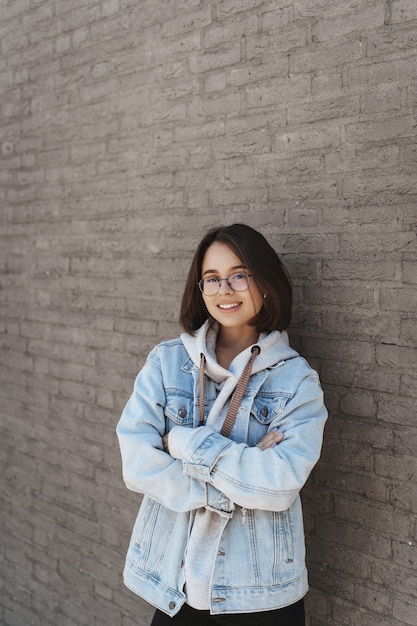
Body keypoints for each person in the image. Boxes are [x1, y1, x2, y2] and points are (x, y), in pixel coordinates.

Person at [116, 223, 327, 625]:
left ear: (264, 283)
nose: (224, 290)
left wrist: (179, 442)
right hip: (176, 587)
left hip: (260, 593)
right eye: (211, 279)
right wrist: (243, 470)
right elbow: (138, 464)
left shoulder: (295, 380)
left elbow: (279, 483)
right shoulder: (165, 363)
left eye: (238, 276)